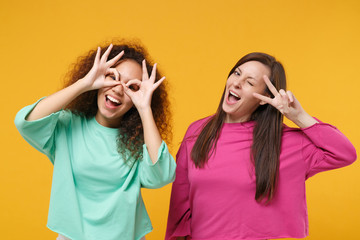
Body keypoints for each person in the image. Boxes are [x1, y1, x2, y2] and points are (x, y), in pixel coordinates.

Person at [165, 52, 357, 240]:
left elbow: (344, 153)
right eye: (237, 73)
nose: (237, 83)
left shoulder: (283, 142)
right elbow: (179, 205)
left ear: (263, 97)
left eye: (249, 82)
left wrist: (298, 116)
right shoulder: (198, 130)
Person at [15, 42, 176, 240]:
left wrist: (144, 109)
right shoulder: (69, 125)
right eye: (112, 77)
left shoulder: (137, 143)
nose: (118, 89)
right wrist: (84, 84)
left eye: (131, 86)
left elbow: (163, 175)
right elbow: (27, 122)